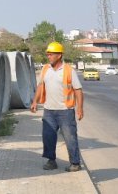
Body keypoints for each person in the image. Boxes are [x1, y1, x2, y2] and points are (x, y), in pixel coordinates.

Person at [30, 41, 84, 172]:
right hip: (49, 111)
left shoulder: (68, 70)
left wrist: (80, 108)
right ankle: (51, 161)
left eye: (51, 54)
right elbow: (40, 86)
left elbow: (78, 90)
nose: (48, 56)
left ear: (59, 55)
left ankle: (75, 163)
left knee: (70, 137)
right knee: (48, 137)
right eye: (47, 54)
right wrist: (35, 102)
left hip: (65, 111)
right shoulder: (45, 69)